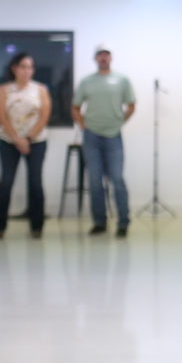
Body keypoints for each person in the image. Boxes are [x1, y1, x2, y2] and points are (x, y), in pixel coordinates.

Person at [71, 44, 136, 238]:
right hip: (91, 136)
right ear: (95, 58)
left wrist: (119, 122)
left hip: (113, 136)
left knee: (117, 179)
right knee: (94, 180)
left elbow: (131, 105)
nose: (103, 58)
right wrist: (83, 126)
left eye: (106, 55)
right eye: (100, 55)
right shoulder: (87, 82)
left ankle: (123, 222)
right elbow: (75, 107)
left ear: (111, 57)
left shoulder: (122, 80)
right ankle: (99, 222)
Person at [0, 52, 51, 239]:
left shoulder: (40, 89)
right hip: (9, 141)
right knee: (6, 183)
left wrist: (28, 138)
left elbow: (44, 116)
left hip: (36, 141)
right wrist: (17, 139)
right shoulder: (4, 90)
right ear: (14, 68)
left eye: (30, 67)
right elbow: (2, 116)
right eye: (23, 67)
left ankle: (37, 226)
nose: (27, 71)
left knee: (35, 183)